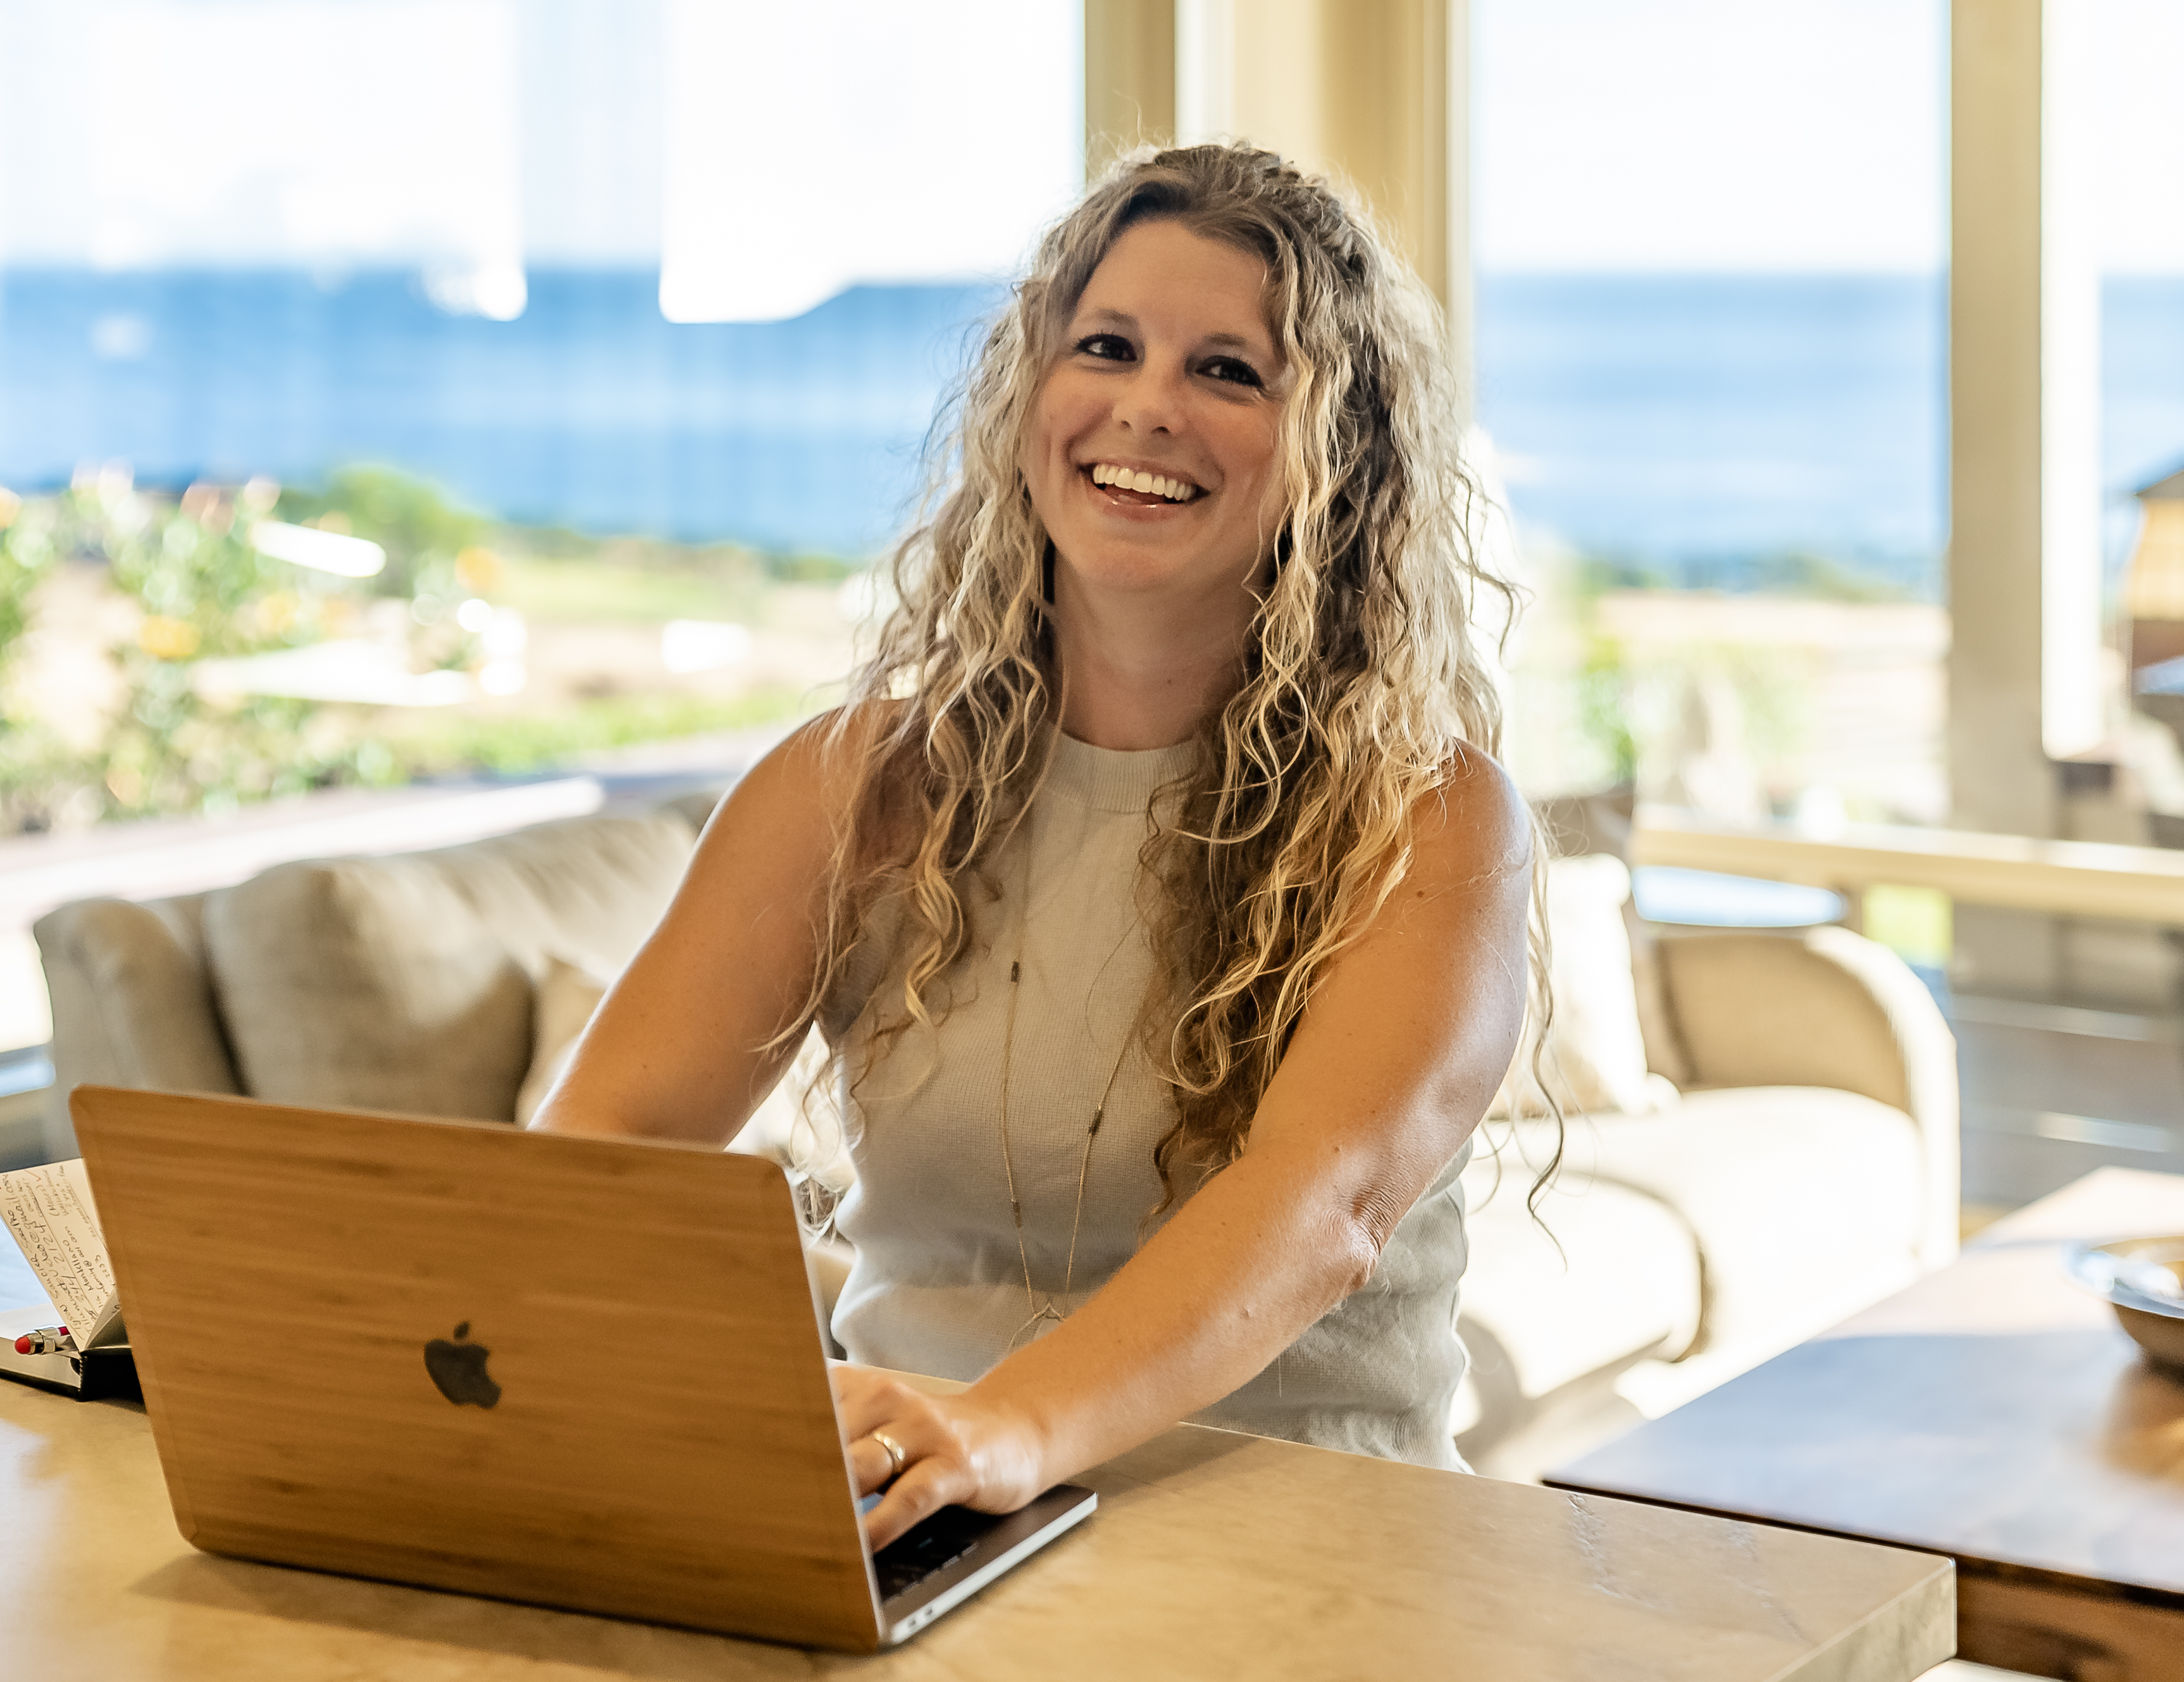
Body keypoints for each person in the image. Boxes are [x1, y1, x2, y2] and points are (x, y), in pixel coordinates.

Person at [533, 143, 1533, 1548]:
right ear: (1027, 400)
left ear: (1340, 458)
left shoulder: (1430, 819)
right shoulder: (851, 787)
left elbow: (1321, 1206)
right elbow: (602, 1148)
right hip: (908, 1516)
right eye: (1105, 347)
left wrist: (1005, 1427)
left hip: (1303, 1534)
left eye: (1228, 371)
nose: (1144, 408)